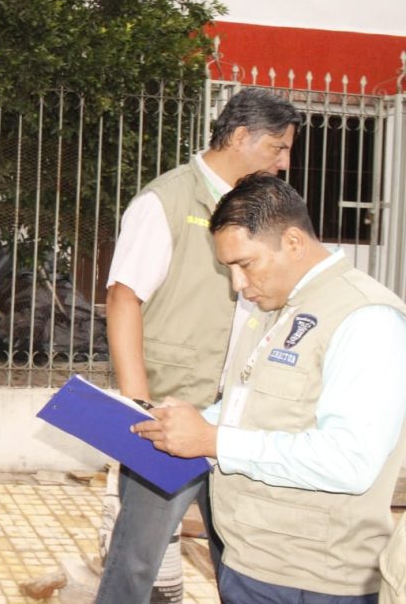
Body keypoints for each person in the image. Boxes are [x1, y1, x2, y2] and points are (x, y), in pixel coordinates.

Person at [133, 173, 406, 604]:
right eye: (229, 269)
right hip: (249, 562)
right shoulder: (274, 308)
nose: (237, 285)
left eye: (245, 264)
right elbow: (249, 409)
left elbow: (350, 461)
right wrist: (184, 423)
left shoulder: (366, 318)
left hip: (314, 582)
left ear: (292, 242)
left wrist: (212, 440)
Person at [95, 88, 301, 604]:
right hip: (171, 415)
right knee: (136, 558)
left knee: (241, 559)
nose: (283, 162)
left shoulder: (265, 209)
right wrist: (138, 404)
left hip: (238, 420)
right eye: (277, 147)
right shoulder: (165, 202)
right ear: (240, 136)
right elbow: (123, 298)